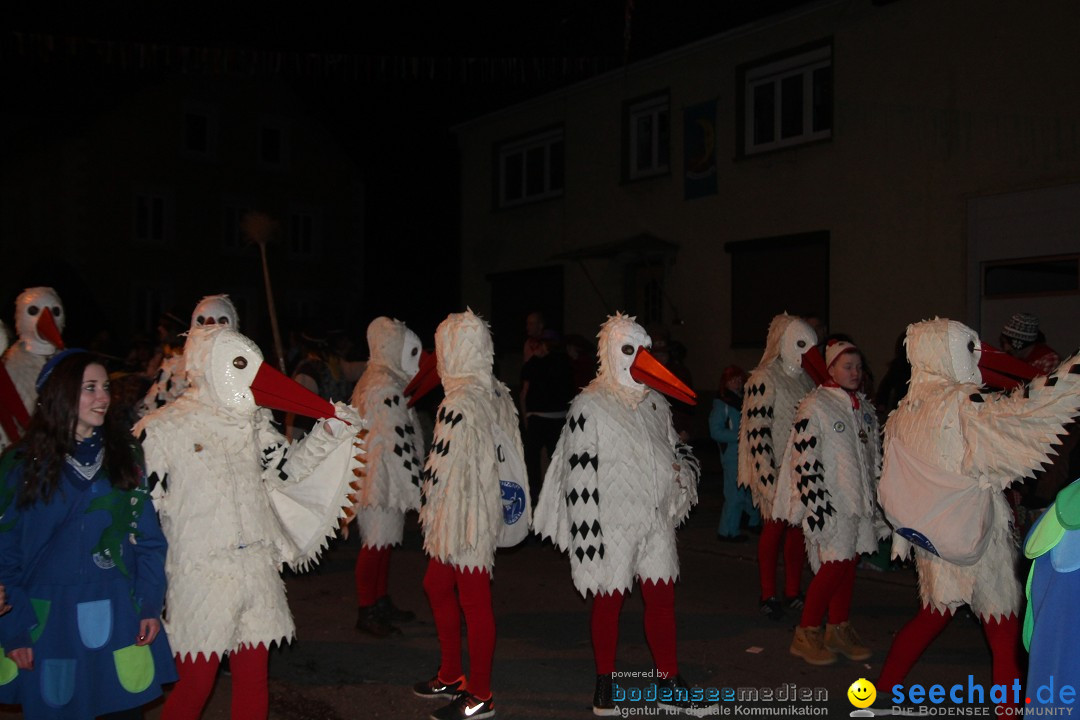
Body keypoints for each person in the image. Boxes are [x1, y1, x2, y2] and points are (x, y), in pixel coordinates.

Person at [134, 325, 361, 720]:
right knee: (196, 682)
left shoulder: (255, 425)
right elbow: (143, 515)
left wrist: (327, 432)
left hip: (257, 567)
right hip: (200, 575)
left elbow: (287, 470)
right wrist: (146, 591)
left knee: (254, 678)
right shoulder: (163, 429)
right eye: (240, 364)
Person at [875, 319, 1080, 709]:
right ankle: (1010, 713)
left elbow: (897, 480)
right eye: (969, 348)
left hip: (934, 537)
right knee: (1002, 634)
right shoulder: (965, 406)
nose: (979, 356)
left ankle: (883, 690)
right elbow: (1028, 414)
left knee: (933, 616)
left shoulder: (902, 411)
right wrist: (1068, 378)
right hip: (979, 539)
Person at [534, 313, 712, 717]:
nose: (638, 359)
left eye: (644, 350)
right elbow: (576, 476)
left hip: (655, 522)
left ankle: (668, 680)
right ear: (612, 353)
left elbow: (675, 447)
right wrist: (587, 541)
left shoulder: (656, 403)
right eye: (629, 350)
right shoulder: (589, 405)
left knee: (662, 599)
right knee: (609, 601)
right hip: (611, 523)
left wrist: (680, 472)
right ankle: (605, 683)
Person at [0, 349, 177, 719]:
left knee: (121, 710)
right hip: (49, 623)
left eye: (105, 387)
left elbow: (148, 539)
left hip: (118, 614)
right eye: (90, 388)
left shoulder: (124, 453)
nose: (103, 398)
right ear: (60, 394)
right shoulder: (21, 464)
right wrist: (15, 629)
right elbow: (6, 552)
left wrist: (148, 603)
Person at [413, 310, 526, 720]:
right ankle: (451, 673)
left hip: (465, 521)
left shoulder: (459, 401)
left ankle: (480, 694)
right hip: (474, 514)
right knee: (436, 586)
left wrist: (432, 513)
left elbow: (444, 473)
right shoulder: (495, 392)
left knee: (474, 602)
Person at [775, 341, 887, 665]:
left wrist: (878, 502)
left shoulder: (863, 408)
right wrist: (817, 507)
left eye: (857, 366)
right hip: (831, 504)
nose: (854, 372)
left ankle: (838, 628)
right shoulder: (815, 405)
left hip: (859, 503)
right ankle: (806, 631)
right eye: (846, 366)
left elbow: (873, 458)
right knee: (835, 565)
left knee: (848, 564)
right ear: (831, 369)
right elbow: (803, 459)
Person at [738, 314, 817, 620]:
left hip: (802, 467)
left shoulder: (808, 378)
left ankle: (793, 590)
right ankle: (768, 592)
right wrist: (766, 475)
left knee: (798, 531)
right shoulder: (763, 378)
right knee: (773, 530)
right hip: (776, 469)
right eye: (800, 343)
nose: (806, 351)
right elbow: (756, 429)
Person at [348, 317, 424, 637]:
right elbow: (398, 439)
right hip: (379, 479)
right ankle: (367, 609)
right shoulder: (383, 384)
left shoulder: (380, 378)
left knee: (384, 543)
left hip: (383, 477)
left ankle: (379, 600)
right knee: (375, 545)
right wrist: (417, 485)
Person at [519, 328, 573, 504]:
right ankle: (560, 492)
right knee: (557, 457)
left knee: (532, 457)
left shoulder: (534, 364)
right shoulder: (567, 362)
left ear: (544, 345)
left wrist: (526, 418)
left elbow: (524, 394)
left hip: (538, 417)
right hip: (559, 417)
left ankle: (534, 493)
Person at [711, 364, 758, 541]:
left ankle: (750, 522)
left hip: (745, 453)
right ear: (726, 382)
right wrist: (740, 436)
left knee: (747, 492)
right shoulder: (723, 403)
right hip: (733, 455)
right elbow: (715, 431)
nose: (737, 383)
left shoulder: (742, 401)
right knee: (735, 494)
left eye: (739, 380)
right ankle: (728, 531)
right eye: (733, 380)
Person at [1000, 312, 1060, 376]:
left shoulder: (1049, 360)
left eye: (1008, 342)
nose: (1006, 348)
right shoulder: (1013, 359)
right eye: (1003, 342)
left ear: (1021, 343)